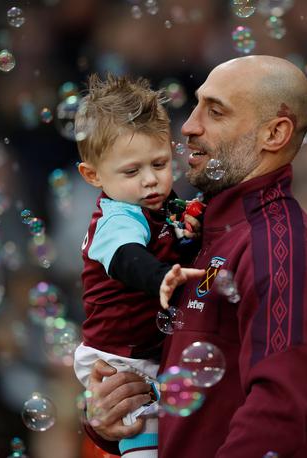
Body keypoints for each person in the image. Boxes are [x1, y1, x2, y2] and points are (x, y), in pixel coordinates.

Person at [83, 55, 307, 457]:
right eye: (197, 104)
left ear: (273, 133)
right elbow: (193, 393)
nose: (188, 126)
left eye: (215, 111)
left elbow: (278, 415)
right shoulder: (201, 231)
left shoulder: (279, 247)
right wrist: (115, 416)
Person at [74, 74, 205, 458]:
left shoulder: (162, 202)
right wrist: (161, 276)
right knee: (143, 442)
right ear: (93, 175)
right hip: (120, 360)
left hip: (150, 351)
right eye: (132, 172)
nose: (151, 181)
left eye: (160, 163)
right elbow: (125, 258)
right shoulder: (118, 218)